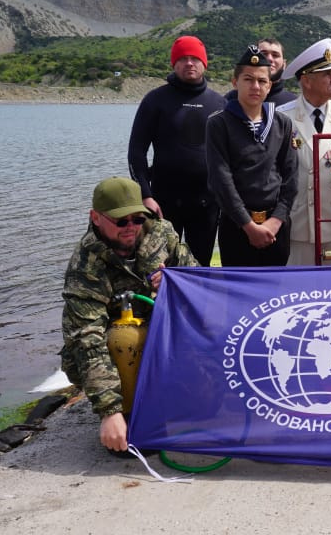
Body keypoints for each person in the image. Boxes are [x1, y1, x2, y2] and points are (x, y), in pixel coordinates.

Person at [60, 177, 197, 454]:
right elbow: (87, 339)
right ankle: (130, 414)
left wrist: (176, 280)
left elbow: (198, 278)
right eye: (121, 221)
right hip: (119, 345)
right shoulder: (85, 266)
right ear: (95, 218)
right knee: (125, 338)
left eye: (137, 219)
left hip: (160, 329)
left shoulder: (162, 233)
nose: (131, 227)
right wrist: (109, 411)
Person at [127, 35, 225, 267]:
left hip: (207, 204)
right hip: (164, 203)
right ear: (174, 64)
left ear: (204, 63)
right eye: (182, 59)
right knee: (160, 267)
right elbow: (136, 152)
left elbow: (230, 155)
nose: (189, 63)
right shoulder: (155, 100)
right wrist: (145, 195)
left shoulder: (219, 103)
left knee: (199, 266)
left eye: (194, 58)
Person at [276, 38, 331, 265]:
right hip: (297, 226)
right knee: (300, 286)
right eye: (328, 74)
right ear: (306, 81)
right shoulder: (282, 117)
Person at [206, 44, 299, 266]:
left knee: (276, 287)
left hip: (276, 227)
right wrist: (248, 225)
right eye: (248, 79)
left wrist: (276, 220)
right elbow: (221, 180)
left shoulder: (282, 123)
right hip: (237, 226)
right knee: (238, 286)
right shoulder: (218, 123)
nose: (255, 86)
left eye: (262, 81)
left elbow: (291, 177)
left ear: (270, 85)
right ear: (235, 82)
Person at [225, 37, 298, 106]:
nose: (269, 59)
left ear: (284, 64)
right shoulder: (230, 100)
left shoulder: (293, 104)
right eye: (264, 54)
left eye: (275, 55)